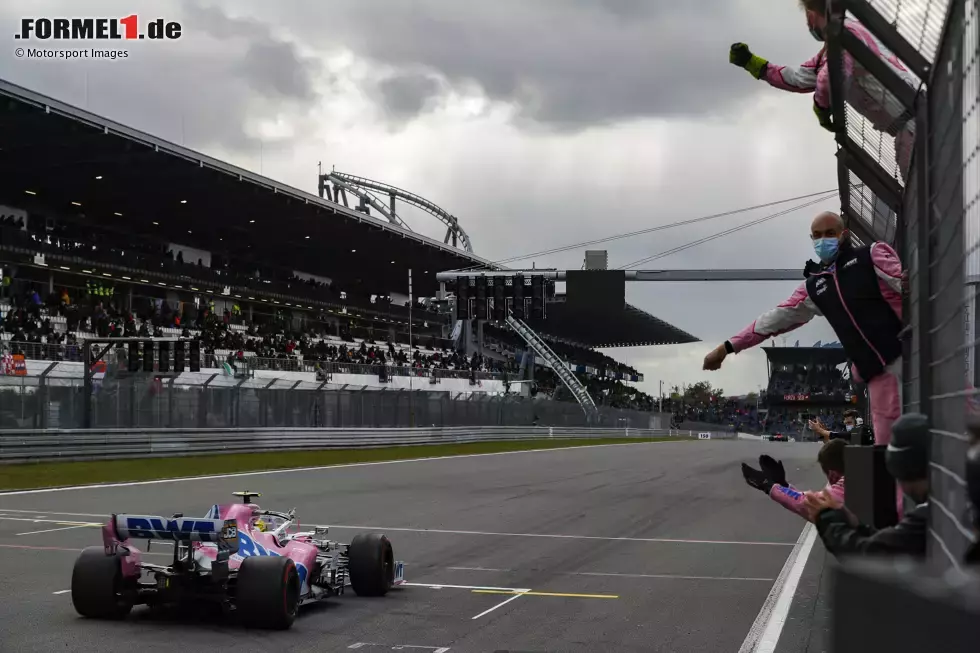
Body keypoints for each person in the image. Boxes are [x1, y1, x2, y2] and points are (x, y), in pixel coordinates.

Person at [703, 212, 903, 448]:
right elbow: (775, 319)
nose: (823, 240)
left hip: (911, 356)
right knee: (892, 456)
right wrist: (728, 346)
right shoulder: (814, 286)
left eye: (830, 233)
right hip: (878, 377)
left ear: (844, 235)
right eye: (817, 236)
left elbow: (909, 285)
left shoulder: (870, 255)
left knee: (947, 425)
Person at [728, 0, 917, 180]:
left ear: (811, 16)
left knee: (923, 197)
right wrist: (751, 62)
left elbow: (830, 78)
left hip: (912, 127)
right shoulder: (854, 32)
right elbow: (798, 79)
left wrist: (821, 109)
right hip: (916, 116)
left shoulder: (844, 38)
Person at [803, 412, 930, 558]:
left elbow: (870, 555)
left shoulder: (927, 517)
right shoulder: (944, 502)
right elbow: (889, 543)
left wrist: (828, 521)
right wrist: (858, 526)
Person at [742, 439, 846, 522]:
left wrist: (769, 486)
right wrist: (783, 486)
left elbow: (807, 504)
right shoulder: (856, 475)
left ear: (832, 474)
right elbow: (807, 498)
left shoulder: (846, 485)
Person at [809, 408, 873, 445]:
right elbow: (830, 444)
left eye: (849, 423)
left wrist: (820, 430)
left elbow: (836, 435)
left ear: (858, 421)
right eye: (846, 423)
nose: (847, 425)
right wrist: (821, 434)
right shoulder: (851, 434)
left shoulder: (863, 429)